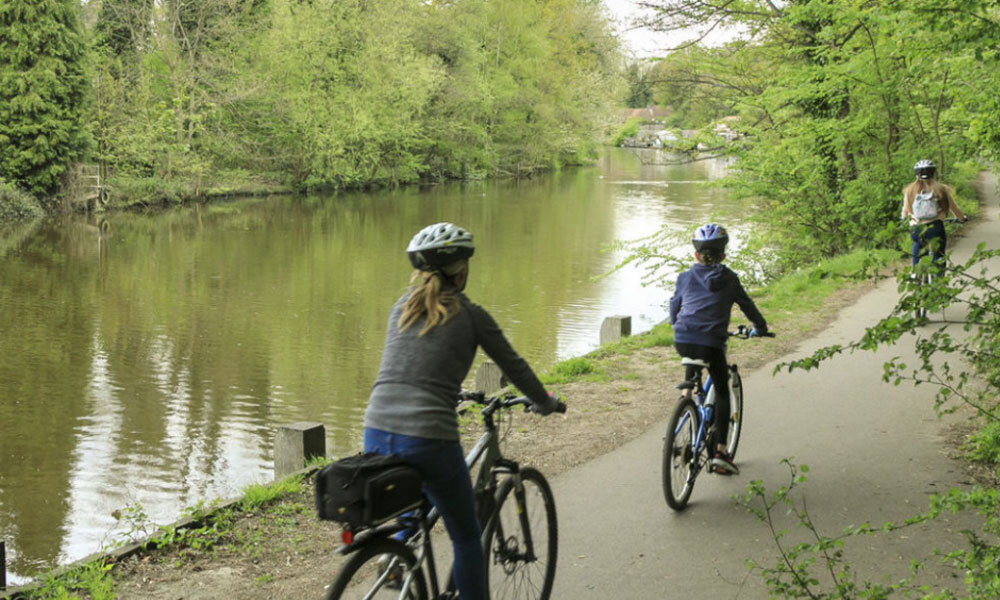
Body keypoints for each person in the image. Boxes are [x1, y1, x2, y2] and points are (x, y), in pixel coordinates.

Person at [363, 222, 561, 600]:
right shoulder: (470, 315)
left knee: (412, 498)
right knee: (468, 536)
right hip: (427, 437)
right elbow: (514, 367)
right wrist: (545, 401)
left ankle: (396, 560)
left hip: (375, 428)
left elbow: (410, 368)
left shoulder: (398, 310)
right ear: (461, 270)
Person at [668, 223, 767, 476]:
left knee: (692, 374)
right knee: (722, 390)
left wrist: (677, 324)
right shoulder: (729, 279)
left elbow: (674, 308)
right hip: (712, 342)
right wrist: (761, 328)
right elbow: (748, 307)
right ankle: (721, 452)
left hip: (683, 338)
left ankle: (684, 411)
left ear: (695, 255)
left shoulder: (684, 277)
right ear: (723, 255)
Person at [901, 159, 967, 268]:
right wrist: (962, 218)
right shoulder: (940, 189)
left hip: (916, 228)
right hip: (935, 227)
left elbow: (905, 210)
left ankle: (915, 273)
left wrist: (903, 219)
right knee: (939, 258)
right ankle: (939, 280)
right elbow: (953, 208)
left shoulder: (909, 190)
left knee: (918, 246)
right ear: (933, 173)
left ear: (917, 174)